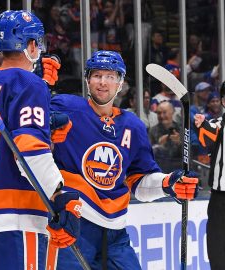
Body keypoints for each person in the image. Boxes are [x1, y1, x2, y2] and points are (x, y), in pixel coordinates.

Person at [49, 50, 199, 269]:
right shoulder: (65, 108)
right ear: (87, 79)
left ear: (120, 83)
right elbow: (26, 124)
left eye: (110, 76)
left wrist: (169, 183)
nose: (103, 82)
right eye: (97, 75)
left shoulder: (133, 125)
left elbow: (138, 182)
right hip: (74, 223)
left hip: (116, 233)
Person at [0, 10, 81, 270]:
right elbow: (29, 150)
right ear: (31, 45)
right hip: (12, 213)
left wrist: (45, 118)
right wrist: (58, 193)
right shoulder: (28, 83)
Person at [194, 81, 225, 270]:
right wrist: (200, 123)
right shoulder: (218, 125)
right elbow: (207, 134)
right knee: (218, 253)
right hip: (220, 200)